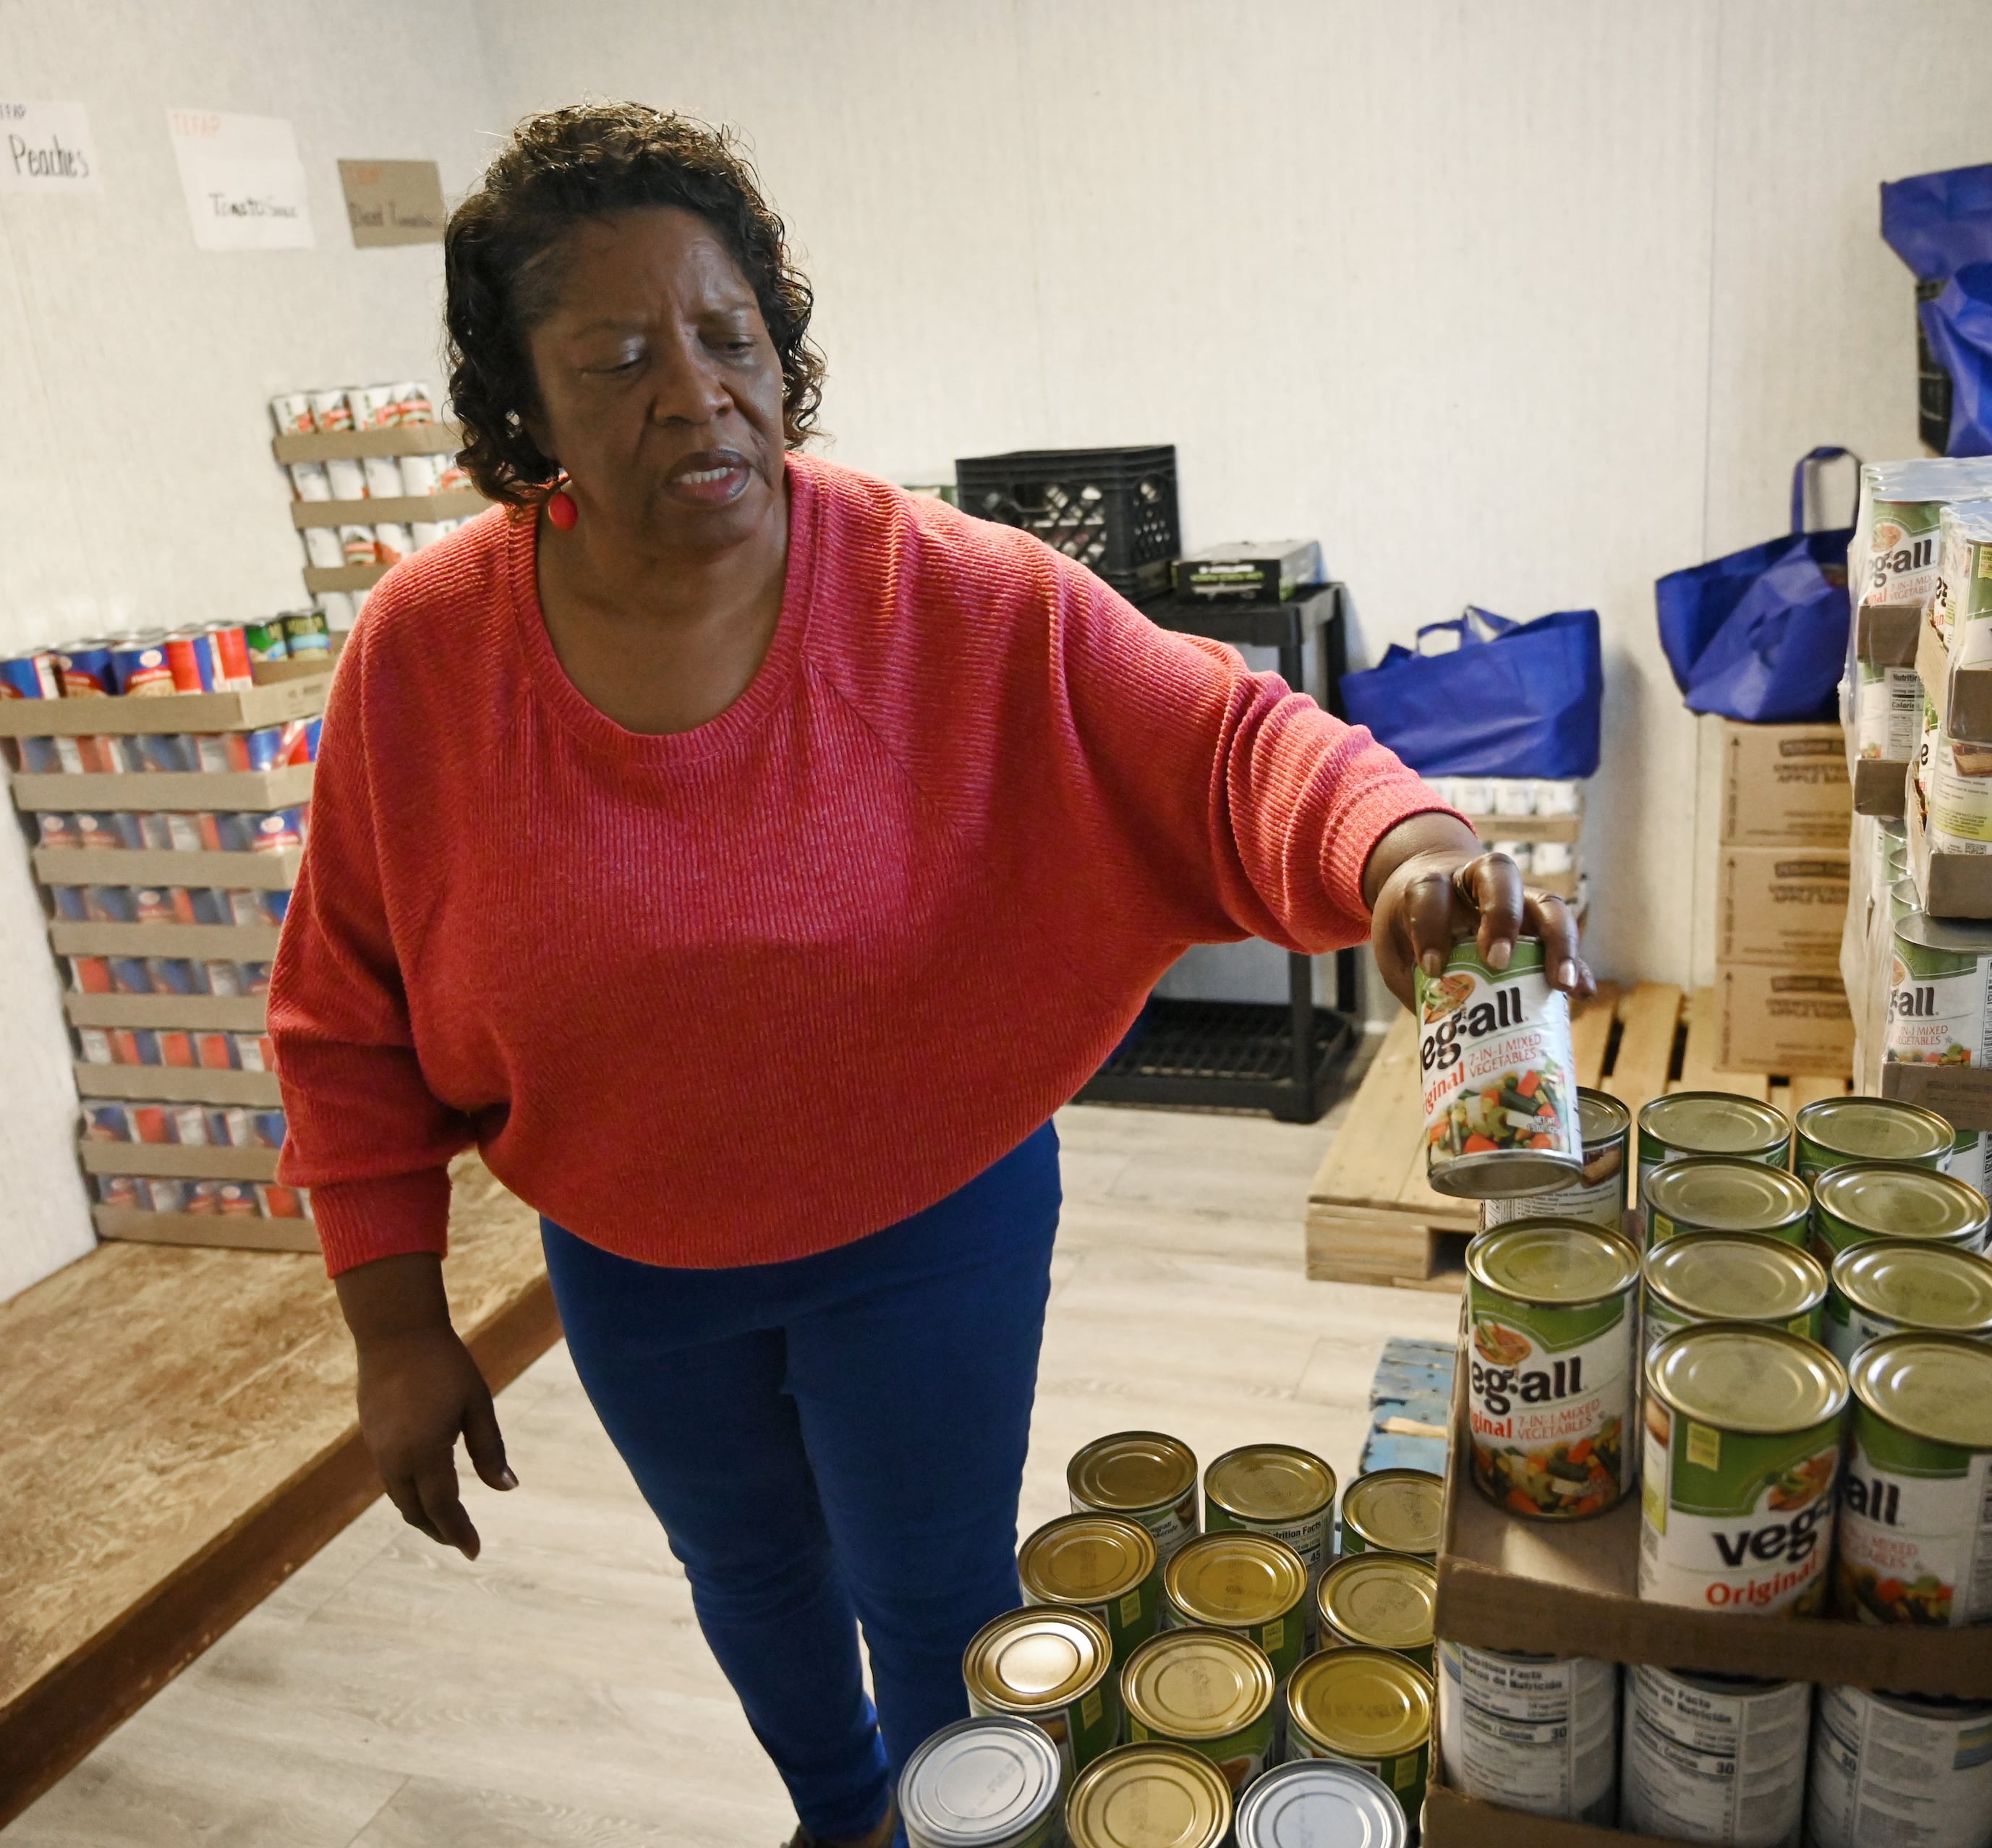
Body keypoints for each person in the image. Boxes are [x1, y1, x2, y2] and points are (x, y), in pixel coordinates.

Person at [271, 101, 1591, 1848]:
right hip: (638, 1257)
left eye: (729, 337)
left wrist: (1404, 848)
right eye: (615, 359)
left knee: (940, 1594)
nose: (693, 393)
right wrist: (394, 1324)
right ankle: (841, 1819)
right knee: (746, 1571)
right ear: (522, 406)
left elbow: (1228, 740)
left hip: (930, 1226)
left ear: (781, 347)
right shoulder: (428, 653)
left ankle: (957, 1823)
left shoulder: (942, 593)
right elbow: (343, 998)